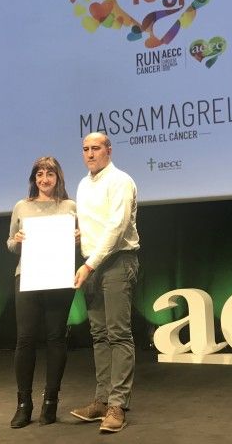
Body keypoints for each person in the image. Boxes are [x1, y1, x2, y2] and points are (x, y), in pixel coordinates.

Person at [70, 132, 140, 433]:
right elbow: (93, 227)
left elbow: (116, 228)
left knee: (118, 334)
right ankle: (101, 400)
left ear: (108, 151)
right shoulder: (83, 184)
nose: (90, 153)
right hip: (93, 264)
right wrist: (78, 237)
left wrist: (88, 265)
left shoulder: (121, 181)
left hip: (117, 262)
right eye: (85, 149)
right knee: (99, 335)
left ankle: (117, 405)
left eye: (96, 148)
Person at [6, 156, 77, 428]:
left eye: (49, 174)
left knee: (56, 338)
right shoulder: (21, 206)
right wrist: (17, 240)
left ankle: (51, 402)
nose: (44, 179)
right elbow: (10, 244)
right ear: (33, 179)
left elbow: (80, 242)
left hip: (59, 278)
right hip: (28, 277)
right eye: (39, 174)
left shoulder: (70, 207)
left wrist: (78, 238)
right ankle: (23, 404)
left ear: (58, 178)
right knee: (25, 339)